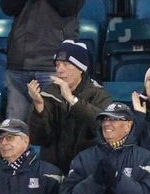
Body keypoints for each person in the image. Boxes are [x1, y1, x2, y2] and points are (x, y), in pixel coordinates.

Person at [26, 40, 112, 171]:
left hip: (87, 169)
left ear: (80, 69)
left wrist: (72, 100)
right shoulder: (47, 95)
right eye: (57, 64)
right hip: (53, 170)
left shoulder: (98, 94)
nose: (59, 70)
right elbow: (38, 139)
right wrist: (39, 107)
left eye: (66, 64)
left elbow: (104, 126)